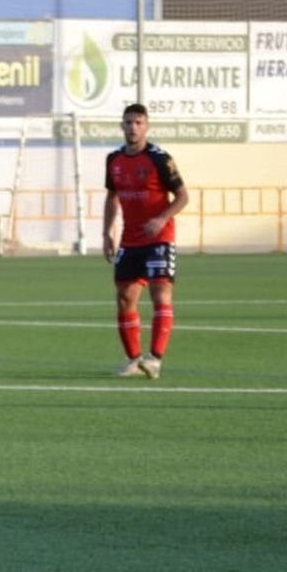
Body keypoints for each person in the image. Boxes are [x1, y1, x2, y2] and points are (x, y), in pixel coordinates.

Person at [102, 103, 189, 380]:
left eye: (138, 122)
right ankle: (133, 359)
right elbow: (112, 197)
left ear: (146, 126)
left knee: (160, 293)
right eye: (128, 122)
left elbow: (183, 196)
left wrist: (162, 218)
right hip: (130, 239)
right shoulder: (114, 160)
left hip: (159, 238)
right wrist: (107, 232)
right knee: (125, 298)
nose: (133, 128)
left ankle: (155, 359)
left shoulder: (159, 159)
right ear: (122, 126)